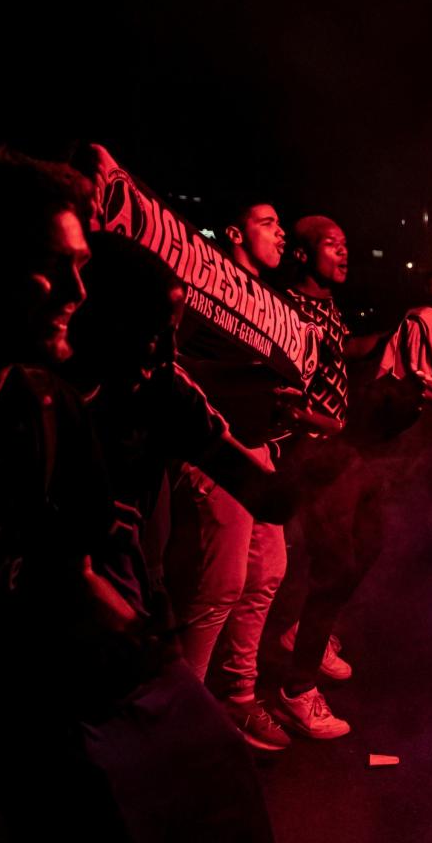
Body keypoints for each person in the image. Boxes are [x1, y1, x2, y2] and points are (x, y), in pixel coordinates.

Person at [0, 147, 272, 842]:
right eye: (62, 269)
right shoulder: (42, 403)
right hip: (61, 675)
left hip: (110, 644)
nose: (75, 292)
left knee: (212, 778)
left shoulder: (122, 394)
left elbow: (260, 489)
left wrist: (348, 471)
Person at [169, 201, 294, 751]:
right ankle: (183, 718)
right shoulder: (207, 290)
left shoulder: (269, 305)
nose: (281, 233)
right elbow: (174, 359)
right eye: (268, 223)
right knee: (222, 583)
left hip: (259, 447)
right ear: (234, 232)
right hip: (219, 449)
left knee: (268, 570)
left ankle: (237, 696)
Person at [272, 215, 366, 739]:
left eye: (345, 244)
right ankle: (296, 688)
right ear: (305, 254)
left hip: (334, 447)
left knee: (363, 544)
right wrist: (319, 422)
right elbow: (282, 386)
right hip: (306, 449)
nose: (343, 252)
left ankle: (306, 634)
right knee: (331, 563)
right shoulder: (286, 306)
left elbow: (341, 349)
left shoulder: (328, 305)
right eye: (333, 245)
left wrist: (393, 339)